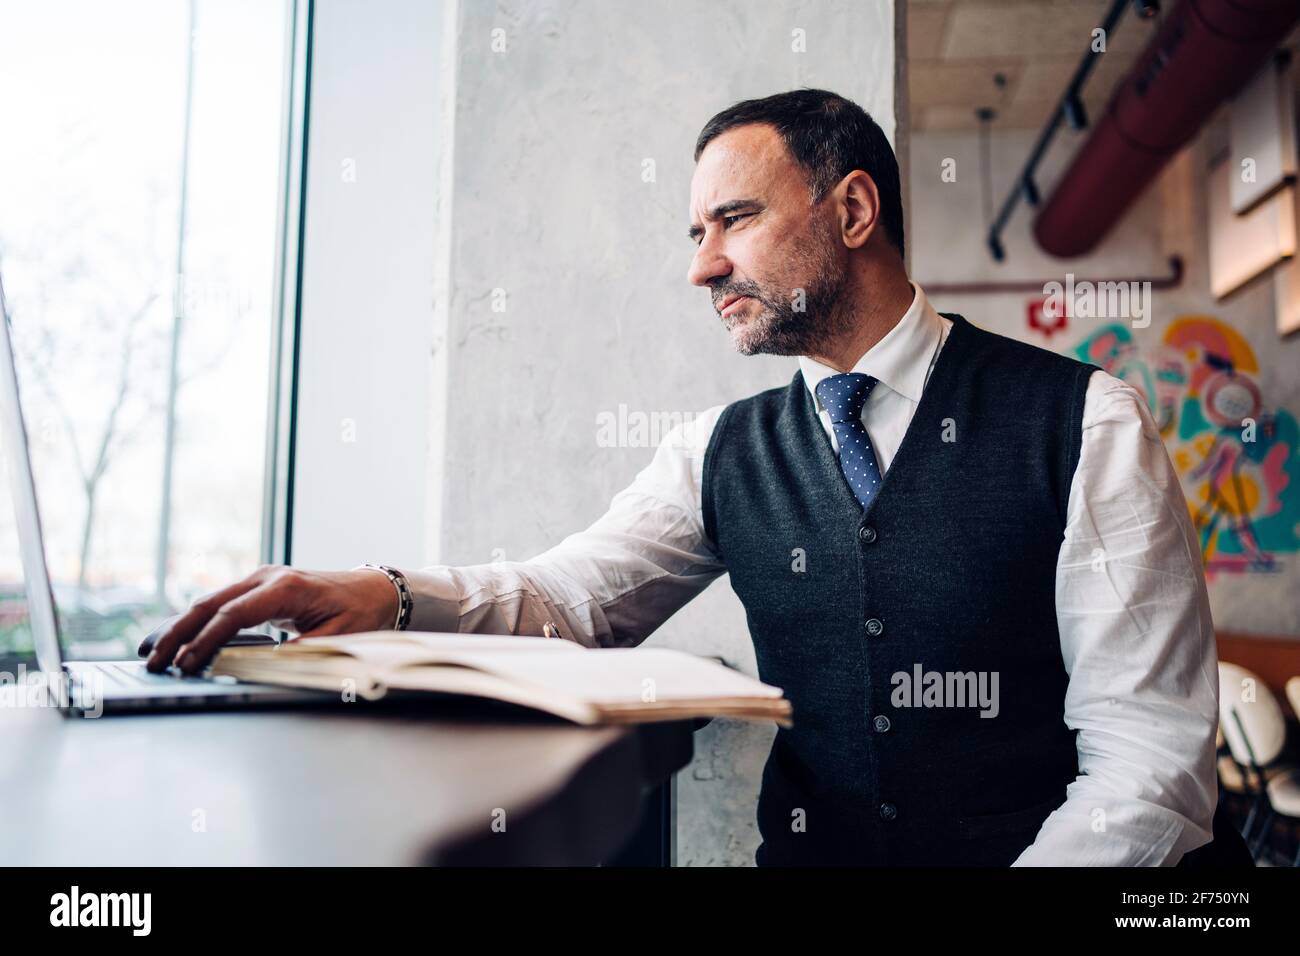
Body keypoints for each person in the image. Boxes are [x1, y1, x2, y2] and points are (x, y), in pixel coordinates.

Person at [145, 88, 1219, 867]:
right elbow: (567, 599)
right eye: (696, 230)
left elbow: (1150, 763)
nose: (700, 264)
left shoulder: (1087, 420)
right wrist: (382, 591)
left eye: (733, 221)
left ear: (852, 212)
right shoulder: (717, 449)